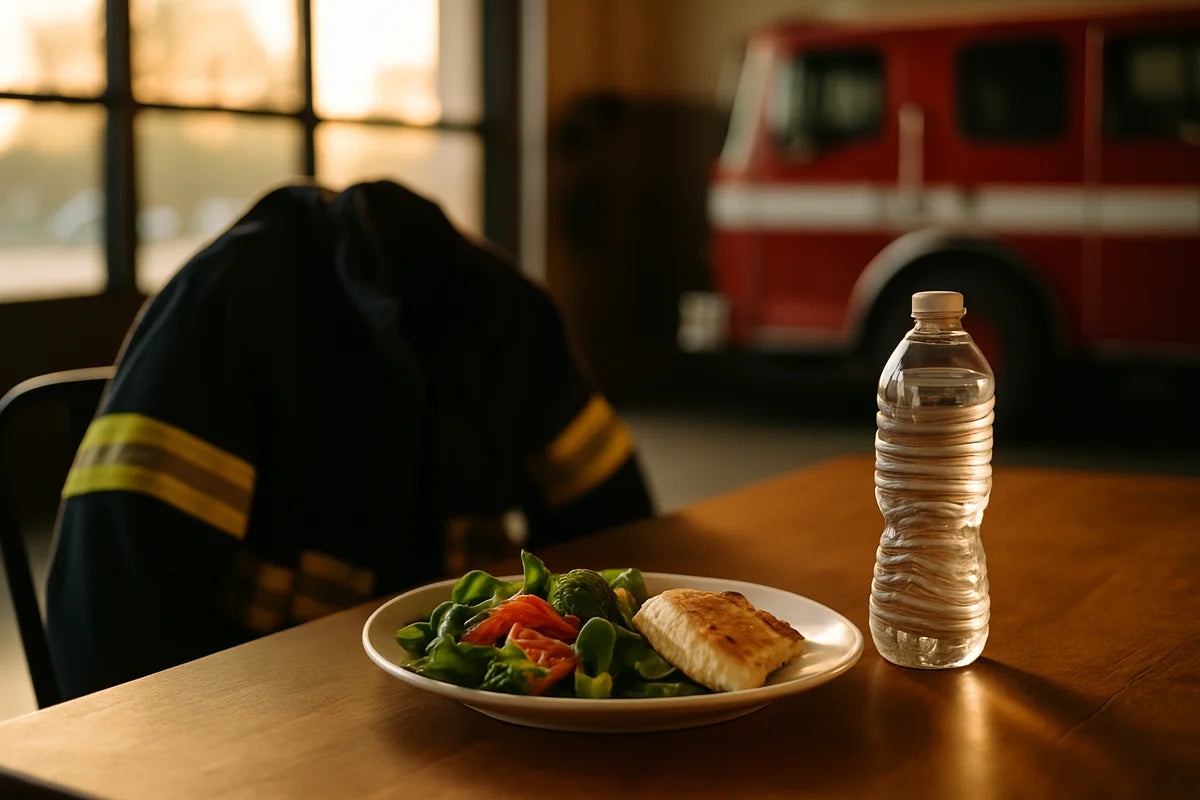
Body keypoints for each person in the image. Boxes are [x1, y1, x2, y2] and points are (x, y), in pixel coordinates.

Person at [45, 181, 654, 699]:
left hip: (425, 716)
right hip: (245, 714)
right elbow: (110, 630)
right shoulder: (227, 310)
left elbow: (626, 538)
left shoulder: (505, 314)